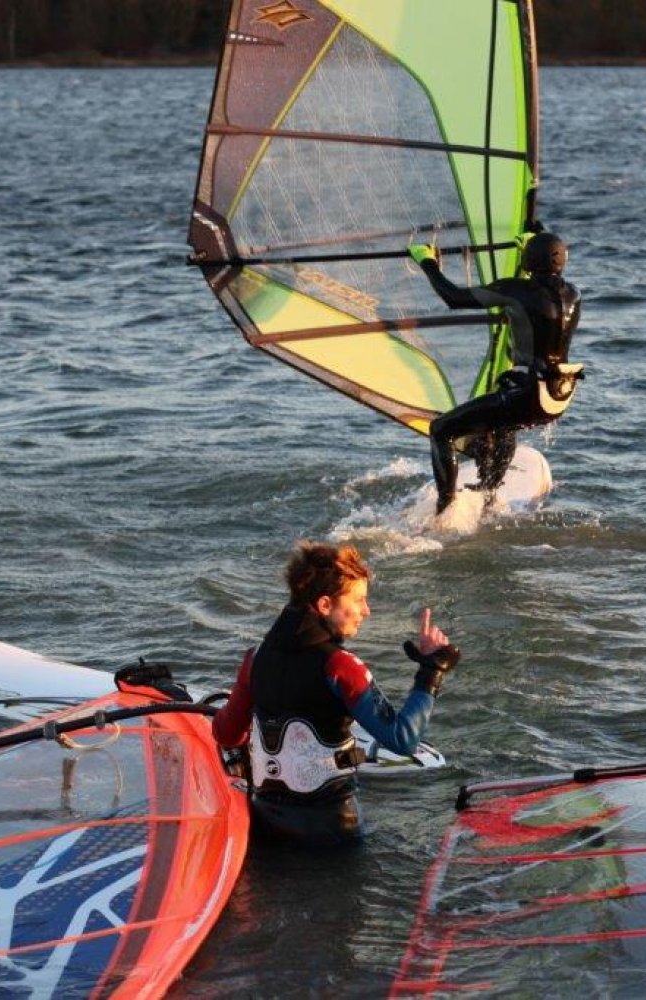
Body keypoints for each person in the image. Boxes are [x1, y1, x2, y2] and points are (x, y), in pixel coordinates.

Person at [211, 540, 459, 846]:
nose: (366, 611)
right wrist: (431, 671)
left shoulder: (254, 658)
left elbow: (226, 734)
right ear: (325, 605)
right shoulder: (340, 667)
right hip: (331, 833)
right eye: (358, 601)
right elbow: (402, 739)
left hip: (267, 826)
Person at [408, 230, 583, 513]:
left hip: (528, 394)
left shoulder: (516, 290)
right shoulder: (574, 294)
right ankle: (490, 492)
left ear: (528, 261)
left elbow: (454, 297)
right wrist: (532, 256)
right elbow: (540, 305)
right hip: (558, 394)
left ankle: (445, 510)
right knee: (504, 420)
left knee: (441, 430)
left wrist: (427, 261)